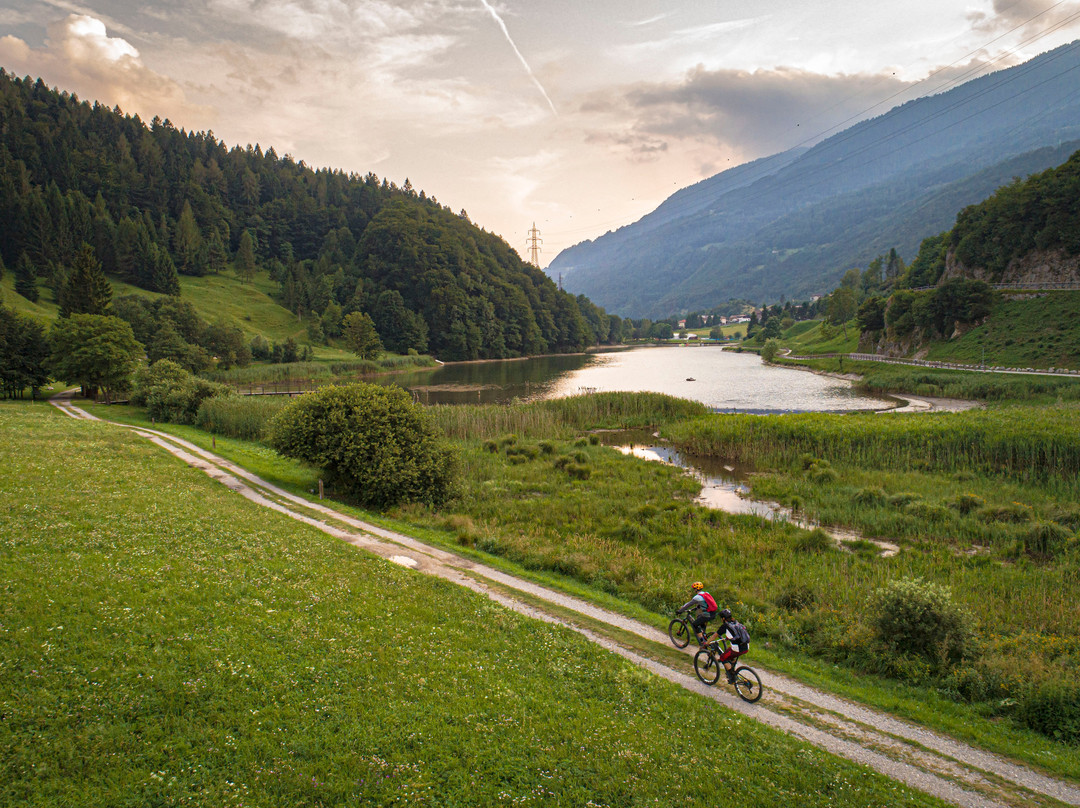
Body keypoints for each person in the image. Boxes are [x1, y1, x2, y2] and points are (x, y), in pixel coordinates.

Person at [675, 582, 718, 646]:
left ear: (695, 589)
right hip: (713, 613)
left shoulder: (697, 597)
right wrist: (697, 607)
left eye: (694, 589)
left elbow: (687, 605)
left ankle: (702, 641)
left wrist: (680, 611)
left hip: (707, 615)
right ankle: (704, 636)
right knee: (701, 620)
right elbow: (705, 604)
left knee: (695, 624)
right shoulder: (706, 593)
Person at [715, 608, 751, 683]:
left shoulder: (725, 626)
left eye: (721, 618)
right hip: (746, 646)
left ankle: (732, 677)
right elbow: (737, 634)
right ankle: (732, 668)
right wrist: (728, 638)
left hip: (737, 649)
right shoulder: (736, 622)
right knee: (730, 653)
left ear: (723, 618)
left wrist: (706, 643)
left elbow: (714, 636)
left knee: (722, 657)